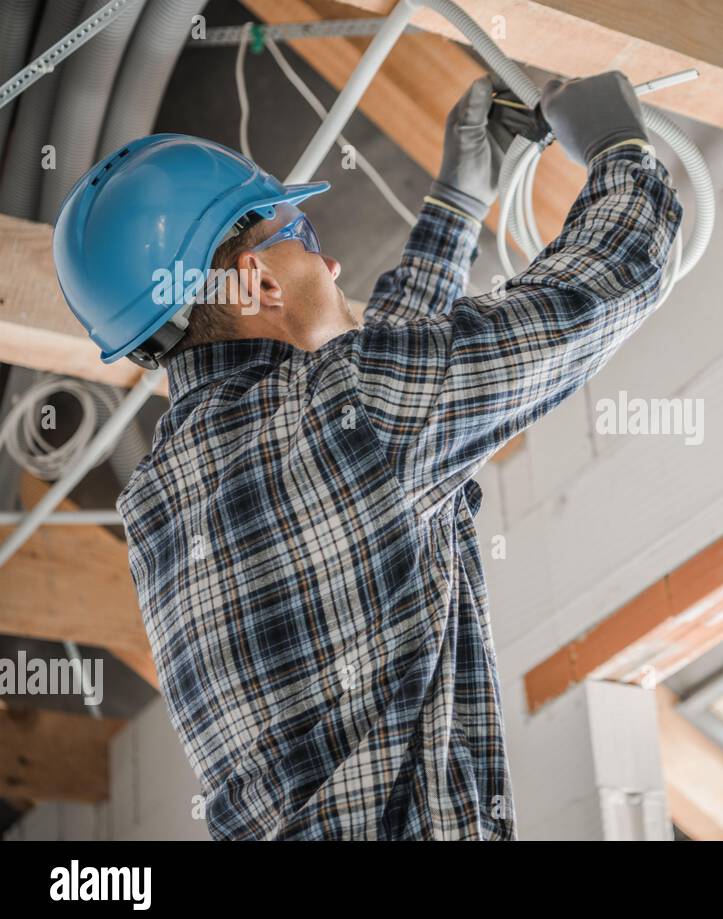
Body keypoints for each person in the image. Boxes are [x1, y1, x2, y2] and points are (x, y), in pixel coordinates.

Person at [52, 71, 682, 839]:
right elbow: (609, 281)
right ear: (257, 281)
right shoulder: (350, 416)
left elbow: (372, 416)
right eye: (303, 239)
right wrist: (620, 147)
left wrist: (458, 202)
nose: (333, 265)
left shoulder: (160, 498)